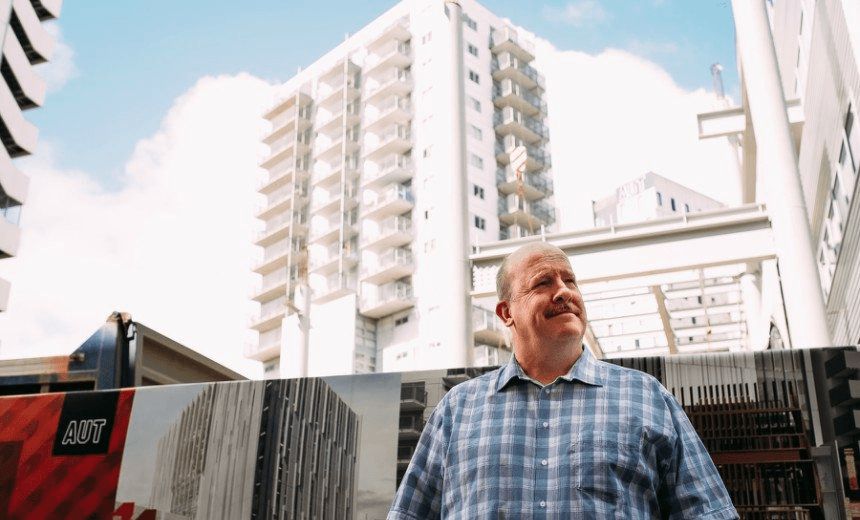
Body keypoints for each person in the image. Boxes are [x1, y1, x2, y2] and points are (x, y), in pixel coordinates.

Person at [388, 241, 738, 519]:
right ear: (507, 312)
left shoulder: (647, 397)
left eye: (569, 280)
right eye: (543, 282)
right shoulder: (457, 409)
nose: (564, 291)